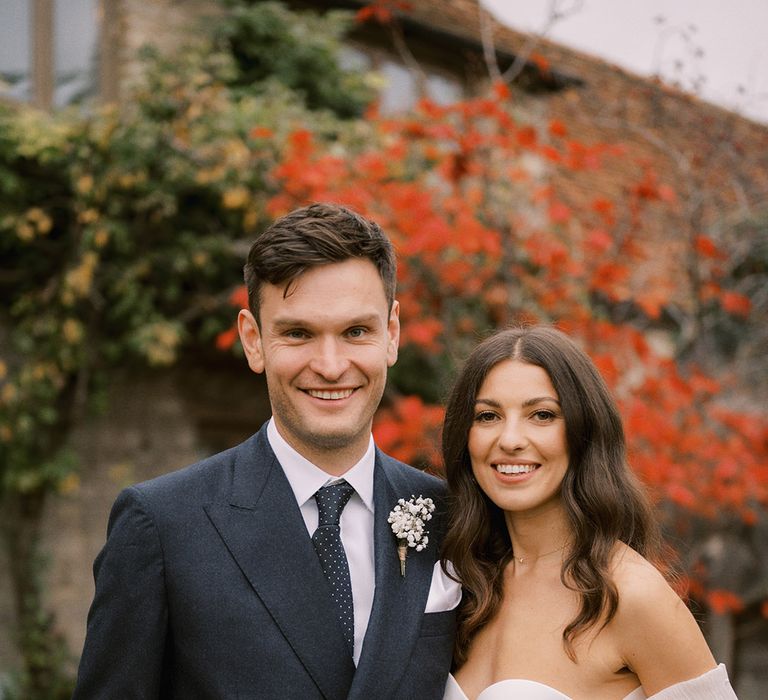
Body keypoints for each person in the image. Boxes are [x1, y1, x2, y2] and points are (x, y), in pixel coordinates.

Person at [73, 203, 460, 699]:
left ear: (392, 334)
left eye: (355, 331)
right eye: (298, 333)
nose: (329, 364)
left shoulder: (451, 519)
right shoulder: (163, 525)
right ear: (253, 341)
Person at [440, 326, 737, 700]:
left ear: (585, 430)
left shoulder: (631, 594)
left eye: (542, 415)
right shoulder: (462, 583)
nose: (510, 439)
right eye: (487, 416)